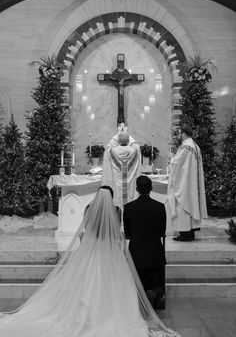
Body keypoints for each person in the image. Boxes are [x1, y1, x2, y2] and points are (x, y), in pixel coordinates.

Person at [0, 187, 180, 337]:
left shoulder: (88, 207)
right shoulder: (116, 210)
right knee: (116, 283)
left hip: (92, 250)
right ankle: (113, 314)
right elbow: (115, 229)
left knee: (86, 282)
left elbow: (87, 228)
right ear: (110, 197)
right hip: (110, 252)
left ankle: (83, 316)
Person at [123, 175, 166, 309]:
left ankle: (140, 298)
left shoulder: (129, 207)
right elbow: (161, 230)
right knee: (156, 280)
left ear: (136, 189)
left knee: (138, 279)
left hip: (136, 253)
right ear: (151, 188)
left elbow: (127, 232)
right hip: (155, 252)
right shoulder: (159, 206)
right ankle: (154, 294)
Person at [167, 124, 208, 241]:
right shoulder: (194, 146)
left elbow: (177, 164)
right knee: (190, 203)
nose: (178, 136)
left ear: (184, 134)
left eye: (179, 133)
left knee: (183, 205)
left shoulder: (186, 147)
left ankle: (185, 234)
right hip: (191, 182)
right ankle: (190, 232)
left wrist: (171, 158)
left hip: (185, 183)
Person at [102, 123, 142, 209]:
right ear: (128, 141)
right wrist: (127, 133)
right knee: (130, 206)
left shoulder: (111, 151)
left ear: (118, 141)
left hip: (117, 187)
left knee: (117, 205)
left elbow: (110, 144)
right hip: (130, 188)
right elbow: (135, 145)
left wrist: (118, 134)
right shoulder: (135, 151)